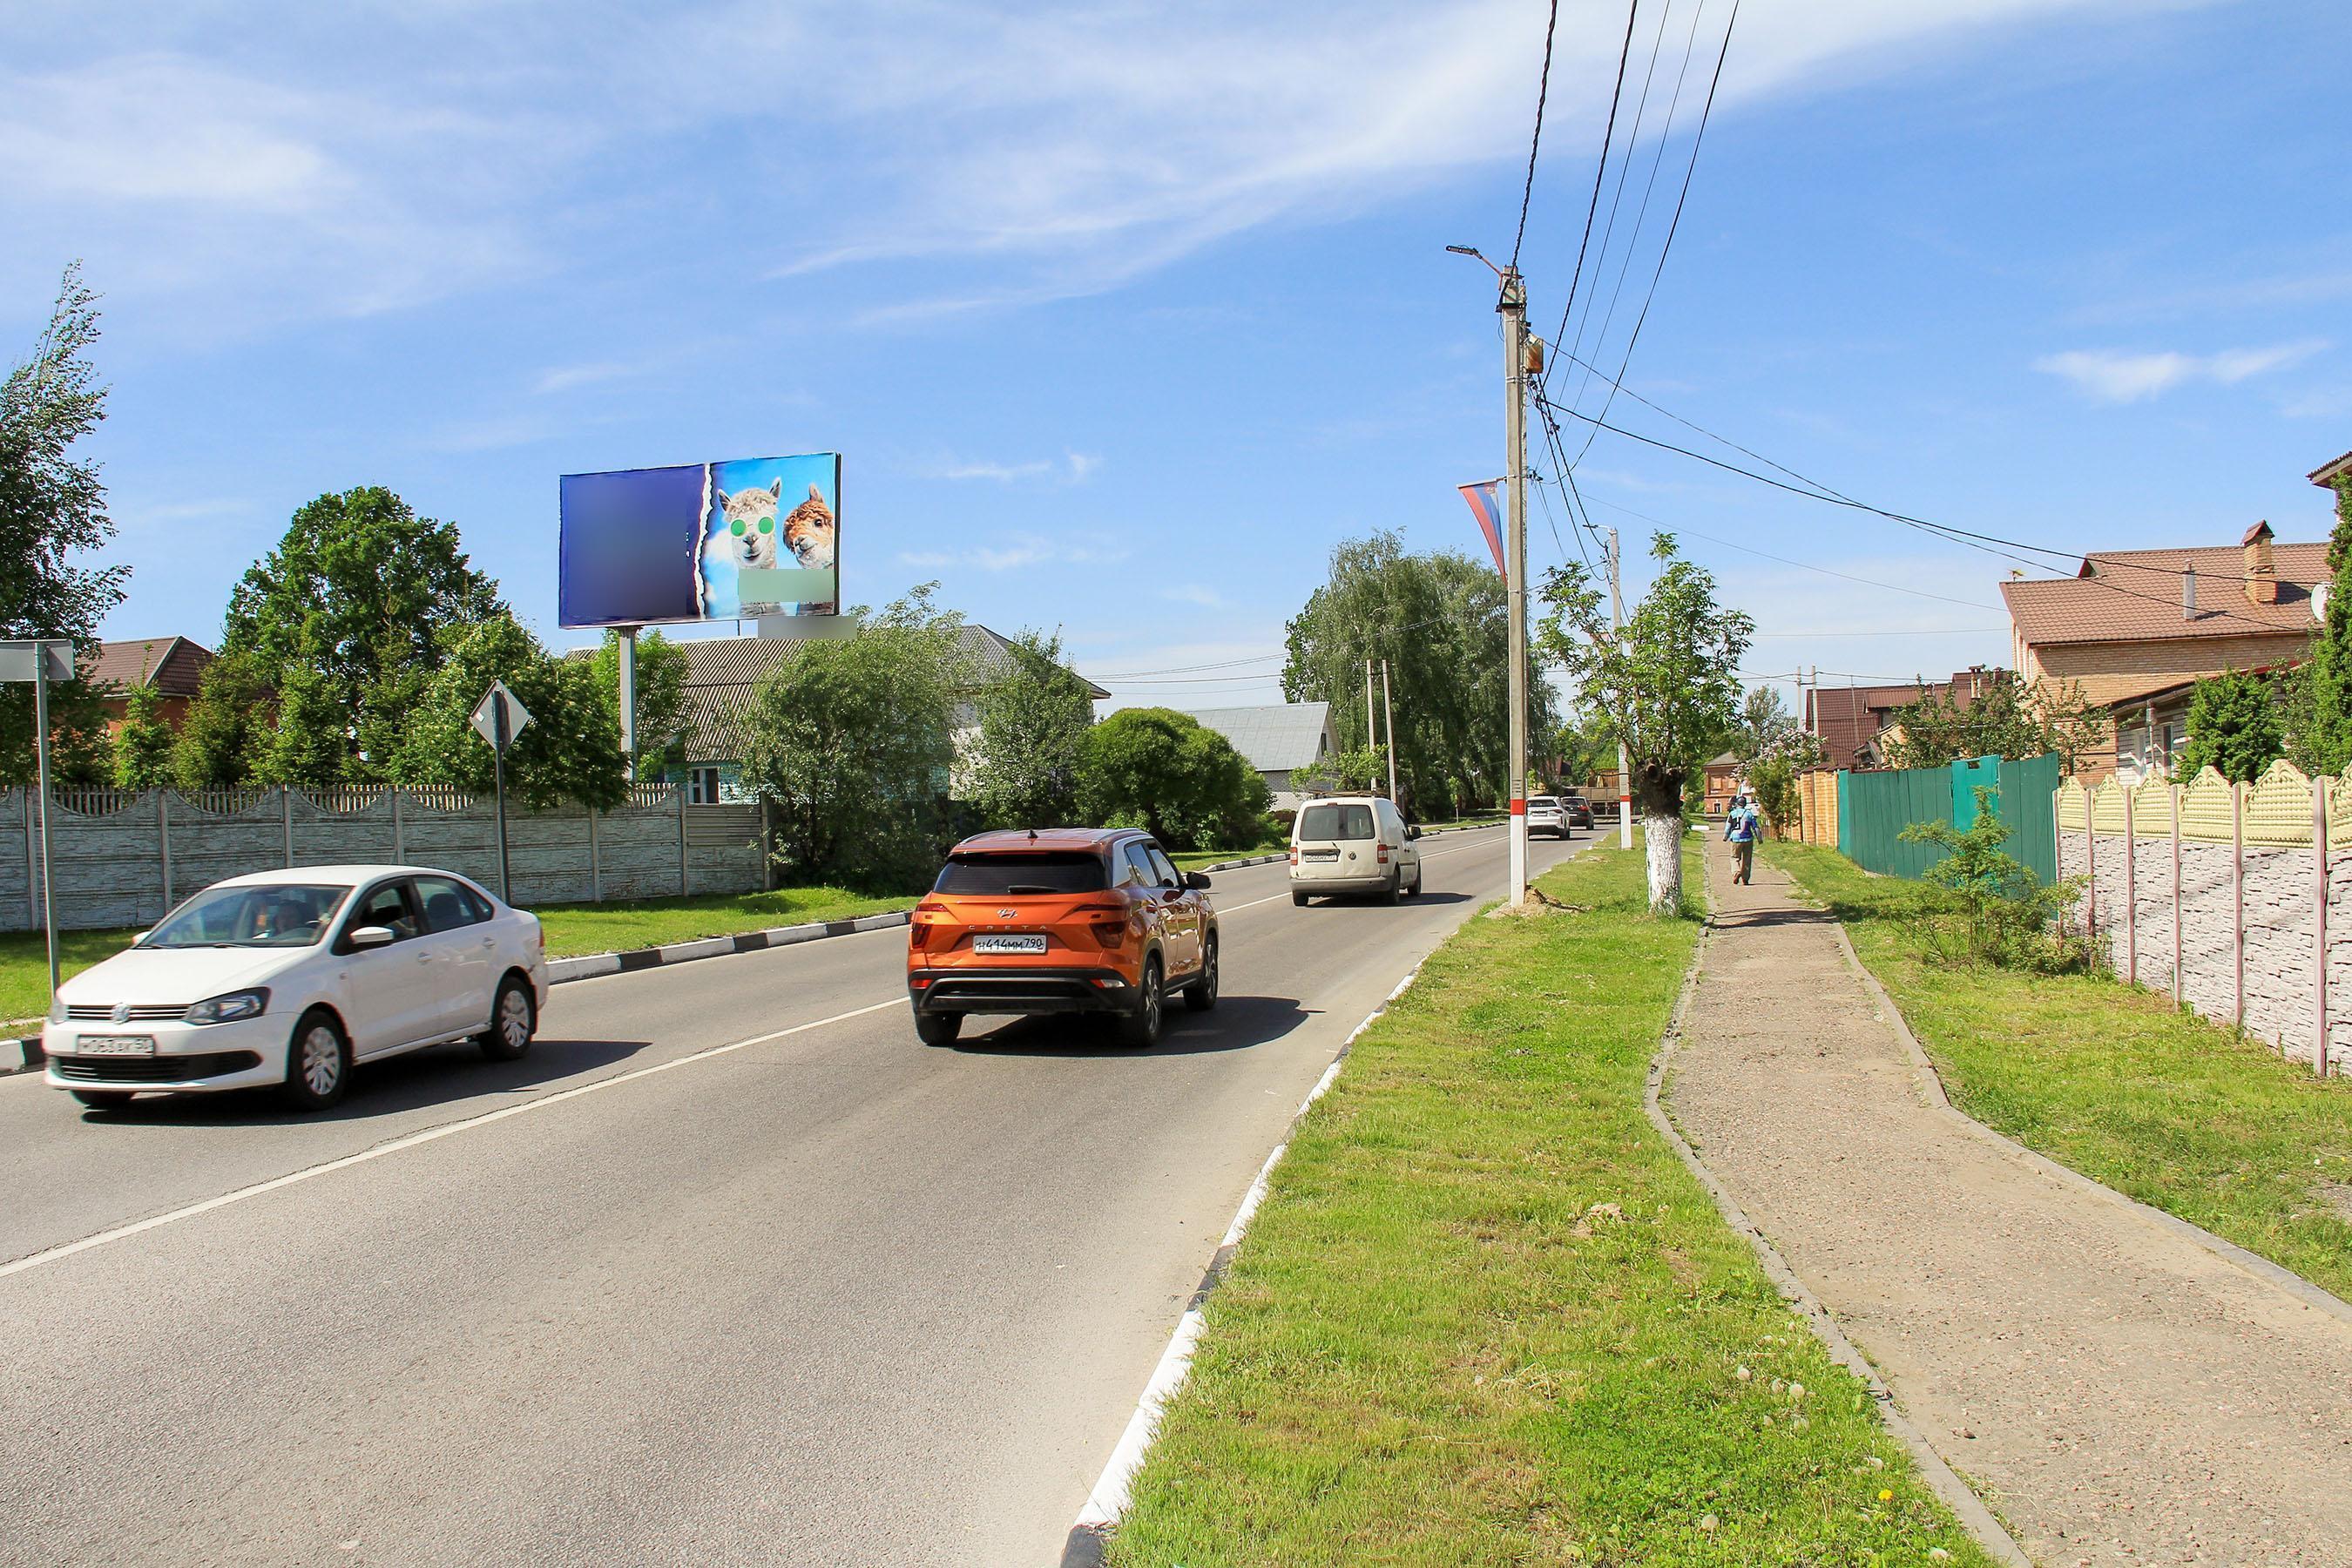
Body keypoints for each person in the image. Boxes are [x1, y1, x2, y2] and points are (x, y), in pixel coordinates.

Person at [1725, 791, 1760, 884]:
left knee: (1734, 857)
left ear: (1736, 804)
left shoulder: (1732, 814)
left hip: (1735, 838)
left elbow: (1728, 827)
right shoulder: (1749, 814)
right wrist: (1759, 838)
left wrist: (1725, 837)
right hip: (1748, 838)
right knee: (1747, 859)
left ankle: (1736, 872)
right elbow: (1755, 827)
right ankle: (1745, 878)